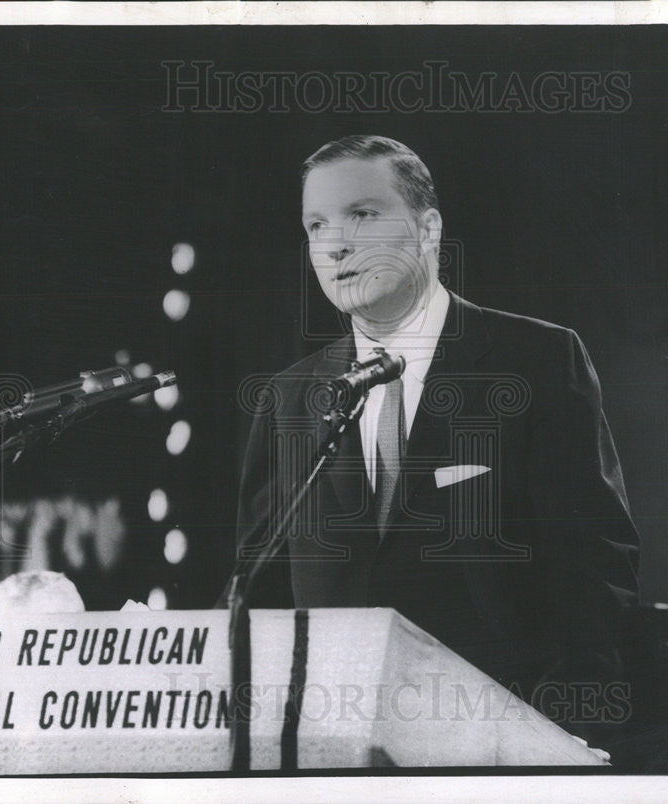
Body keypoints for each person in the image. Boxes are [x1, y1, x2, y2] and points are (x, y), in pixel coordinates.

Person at [231, 135, 639, 738]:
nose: (335, 243)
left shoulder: (538, 360)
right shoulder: (291, 396)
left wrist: (559, 734)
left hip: (499, 743)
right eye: (315, 225)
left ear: (428, 229)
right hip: (330, 752)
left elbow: (594, 569)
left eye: (362, 215)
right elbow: (258, 590)